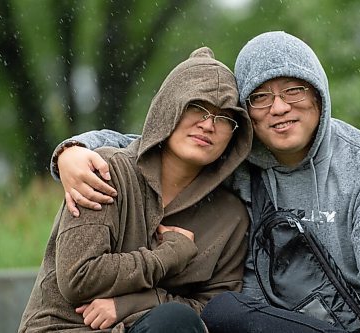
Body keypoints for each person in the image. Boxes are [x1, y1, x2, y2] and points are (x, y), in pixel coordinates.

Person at [49, 31, 360, 333]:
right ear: (246, 113)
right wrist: (74, 150)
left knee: (225, 312)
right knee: (220, 314)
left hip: (341, 327)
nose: (279, 107)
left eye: (294, 90)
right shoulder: (234, 160)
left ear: (319, 95)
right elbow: (158, 141)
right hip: (255, 324)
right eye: (260, 97)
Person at [18, 46, 253, 333]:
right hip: (66, 328)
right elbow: (78, 278)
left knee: (175, 322)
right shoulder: (105, 171)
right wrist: (170, 254)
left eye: (224, 117)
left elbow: (216, 310)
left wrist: (137, 302)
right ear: (169, 107)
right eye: (197, 107)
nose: (208, 125)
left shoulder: (231, 216)